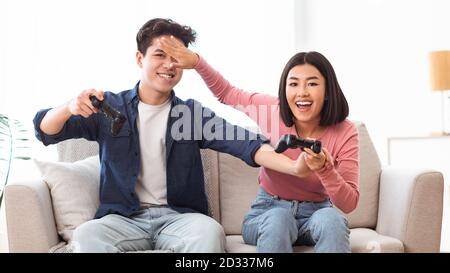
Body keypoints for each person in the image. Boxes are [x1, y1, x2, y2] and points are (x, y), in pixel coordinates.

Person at [33, 18, 310, 253]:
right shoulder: (109, 108)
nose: (169, 65)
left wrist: (295, 167)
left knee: (209, 234)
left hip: (180, 219)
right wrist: (69, 107)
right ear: (140, 58)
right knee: (86, 236)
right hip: (123, 219)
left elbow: (247, 145)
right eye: (160, 55)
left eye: (176, 58)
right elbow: (45, 130)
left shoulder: (190, 115)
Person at [157, 37, 359, 253]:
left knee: (332, 220)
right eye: (293, 84)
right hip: (268, 211)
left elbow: (348, 204)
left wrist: (325, 170)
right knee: (279, 218)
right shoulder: (270, 110)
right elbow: (227, 93)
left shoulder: (345, 131)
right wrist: (197, 62)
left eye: (312, 83)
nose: (302, 92)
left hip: (317, 212)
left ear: (328, 91)